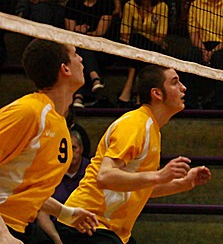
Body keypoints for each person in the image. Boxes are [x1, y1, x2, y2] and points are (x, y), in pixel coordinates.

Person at [56, 65, 212, 244]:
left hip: (111, 230)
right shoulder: (135, 125)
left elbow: (140, 187)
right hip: (86, 224)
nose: (183, 88)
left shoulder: (152, 129)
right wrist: (159, 175)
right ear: (157, 93)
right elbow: (105, 176)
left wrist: (184, 183)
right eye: (175, 83)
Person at [0, 39, 98, 243]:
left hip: (21, 226)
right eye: (75, 54)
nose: (81, 59)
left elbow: (27, 188)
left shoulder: (59, 122)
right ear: (65, 69)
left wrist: (65, 212)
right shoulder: (28, 112)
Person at [64, 0, 114, 108]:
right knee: (79, 53)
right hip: (79, 48)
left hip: (102, 50)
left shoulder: (106, 3)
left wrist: (81, 32)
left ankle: (79, 96)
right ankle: (94, 79)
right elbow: (70, 32)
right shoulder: (72, 3)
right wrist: (78, 32)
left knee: (81, 51)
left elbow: (100, 32)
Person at [118, 0, 168, 107]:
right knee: (135, 40)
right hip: (133, 48)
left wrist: (140, 37)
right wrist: (142, 39)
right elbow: (124, 35)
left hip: (154, 50)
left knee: (136, 38)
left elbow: (160, 38)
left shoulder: (162, 7)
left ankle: (128, 88)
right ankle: (140, 97)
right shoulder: (130, 5)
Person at [33, 129, 91, 244]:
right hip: (54, 231)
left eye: (74, 148)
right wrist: (57, 239)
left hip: (86, 229)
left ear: (82, 149)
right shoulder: (49, 172)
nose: (69, 152)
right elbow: (42, 213)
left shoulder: (92, 171)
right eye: (65, 148)